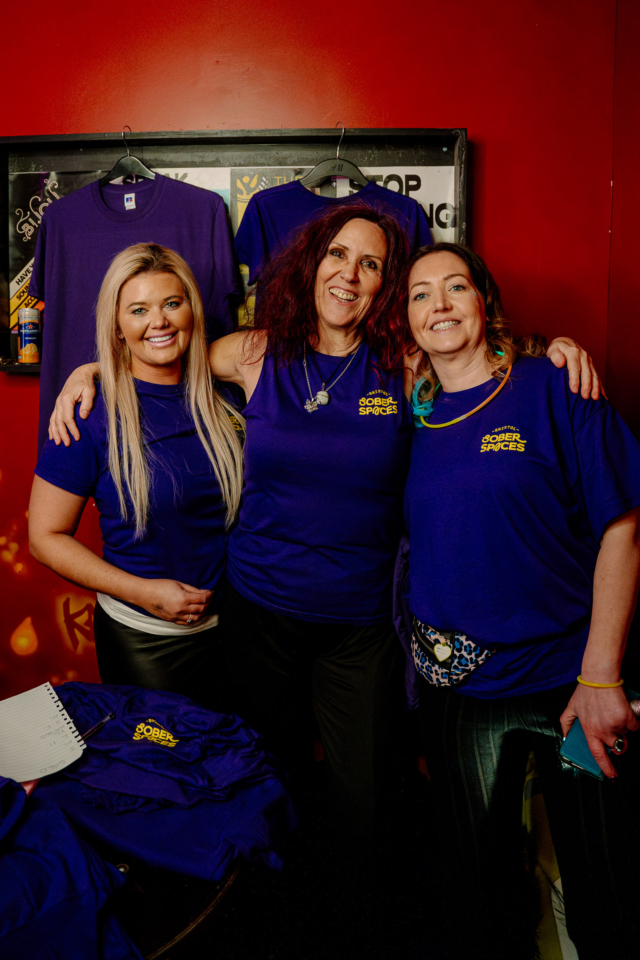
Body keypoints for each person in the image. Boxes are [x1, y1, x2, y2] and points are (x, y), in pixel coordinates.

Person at [47, 209, 600, 854]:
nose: (349, 274)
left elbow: (475, 352)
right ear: (311, 264)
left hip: (361, 625)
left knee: (364, 803)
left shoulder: (404, 362)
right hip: (257, 616)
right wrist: (89, 373)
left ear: (387, 285)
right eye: (338, 254)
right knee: (267, 784)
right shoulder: (255, 351)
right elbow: (165, 354)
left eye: (371, 264)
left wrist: (551, 351)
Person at [401, 241, 640, 960]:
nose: (438, 304)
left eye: (455, 287)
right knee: (481, 893)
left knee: (606, 883)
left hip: (572, 683)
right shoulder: (408, 412)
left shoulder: (555, 386)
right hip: (461, 693)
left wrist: (602, 677)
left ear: (485, 301)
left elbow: (623, 528)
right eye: (419, 294)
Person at [29, 244, 244, 709]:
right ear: (117, 326)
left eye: (172, 303)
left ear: (192, 309)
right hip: (147, 641)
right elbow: (44, 538)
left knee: (244, 753)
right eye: (139, 310)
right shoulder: (88, 414)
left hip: (239, 632)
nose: (159, 321)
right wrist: (141, 592)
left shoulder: (229, 399)